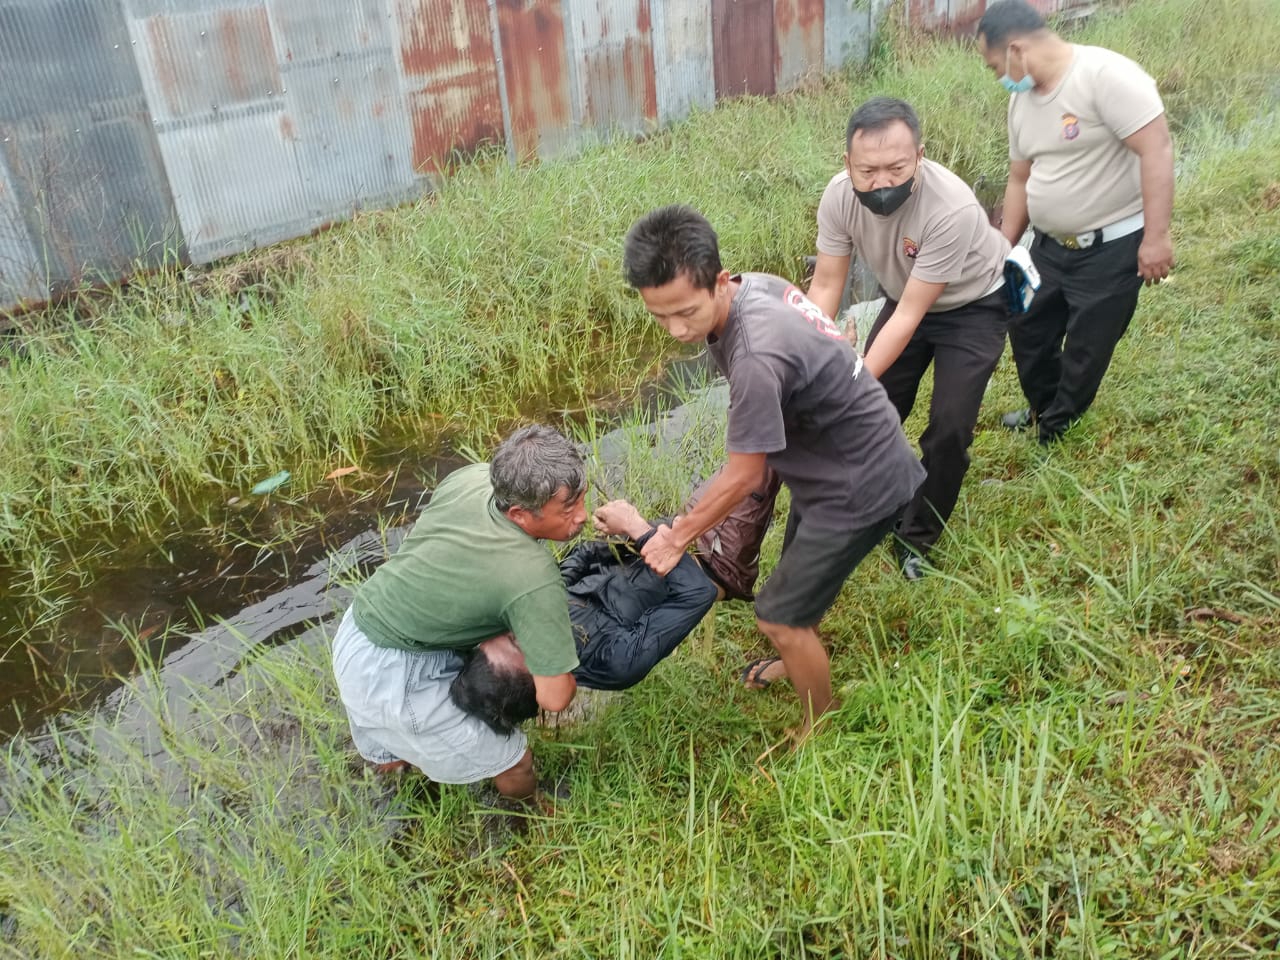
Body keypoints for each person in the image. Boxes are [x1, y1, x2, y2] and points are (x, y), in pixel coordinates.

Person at [621, 205, 925, 742]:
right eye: (658, 316)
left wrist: (676, 537)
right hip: (831, 460)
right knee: (795, 584)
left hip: (857, 485)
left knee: (777, 616)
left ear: (718, 280)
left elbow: (744, 475)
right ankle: (798, 654)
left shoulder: (756, 353)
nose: (675, 330)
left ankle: (819, 723)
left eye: (685, 312)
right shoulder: (754, 284)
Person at [807, 96, 1011, 579]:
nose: (881, 182)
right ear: (848, 164)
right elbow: (827, 284)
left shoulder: (951, 206)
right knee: (874, 411)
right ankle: (864, 504)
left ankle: (918, 535)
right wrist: (812, 357)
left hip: (973, 305)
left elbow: (912, 314)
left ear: (920, 156)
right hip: (905, 295)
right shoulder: (838, 197)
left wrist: (851, 380)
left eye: (896, 167)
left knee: (949, 427)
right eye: (868, 170)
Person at [330, 424, 587, 804]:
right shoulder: (532, 577)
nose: (582, 516)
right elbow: (554, 697)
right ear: (518, 513)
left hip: (356, 631)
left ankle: (400, 784)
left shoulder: (471, 479)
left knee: (390, 751)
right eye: (568, 509)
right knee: (516, 762)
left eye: (582, 498)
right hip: (396, 678)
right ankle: (533, 818)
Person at [976, 0, 1175, 444]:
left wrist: (1157, 237)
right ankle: (1045, 405)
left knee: (1087, 347)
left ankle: (1059, 427)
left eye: (995, 67)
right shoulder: (1022, 102)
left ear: (1016, 50)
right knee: (1026, 328)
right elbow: (1019, 178)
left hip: (1111, 248)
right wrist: (1003, 246)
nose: (1000, 78)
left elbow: (1156, 150)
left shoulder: (1105, 76)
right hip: (1046, 247)